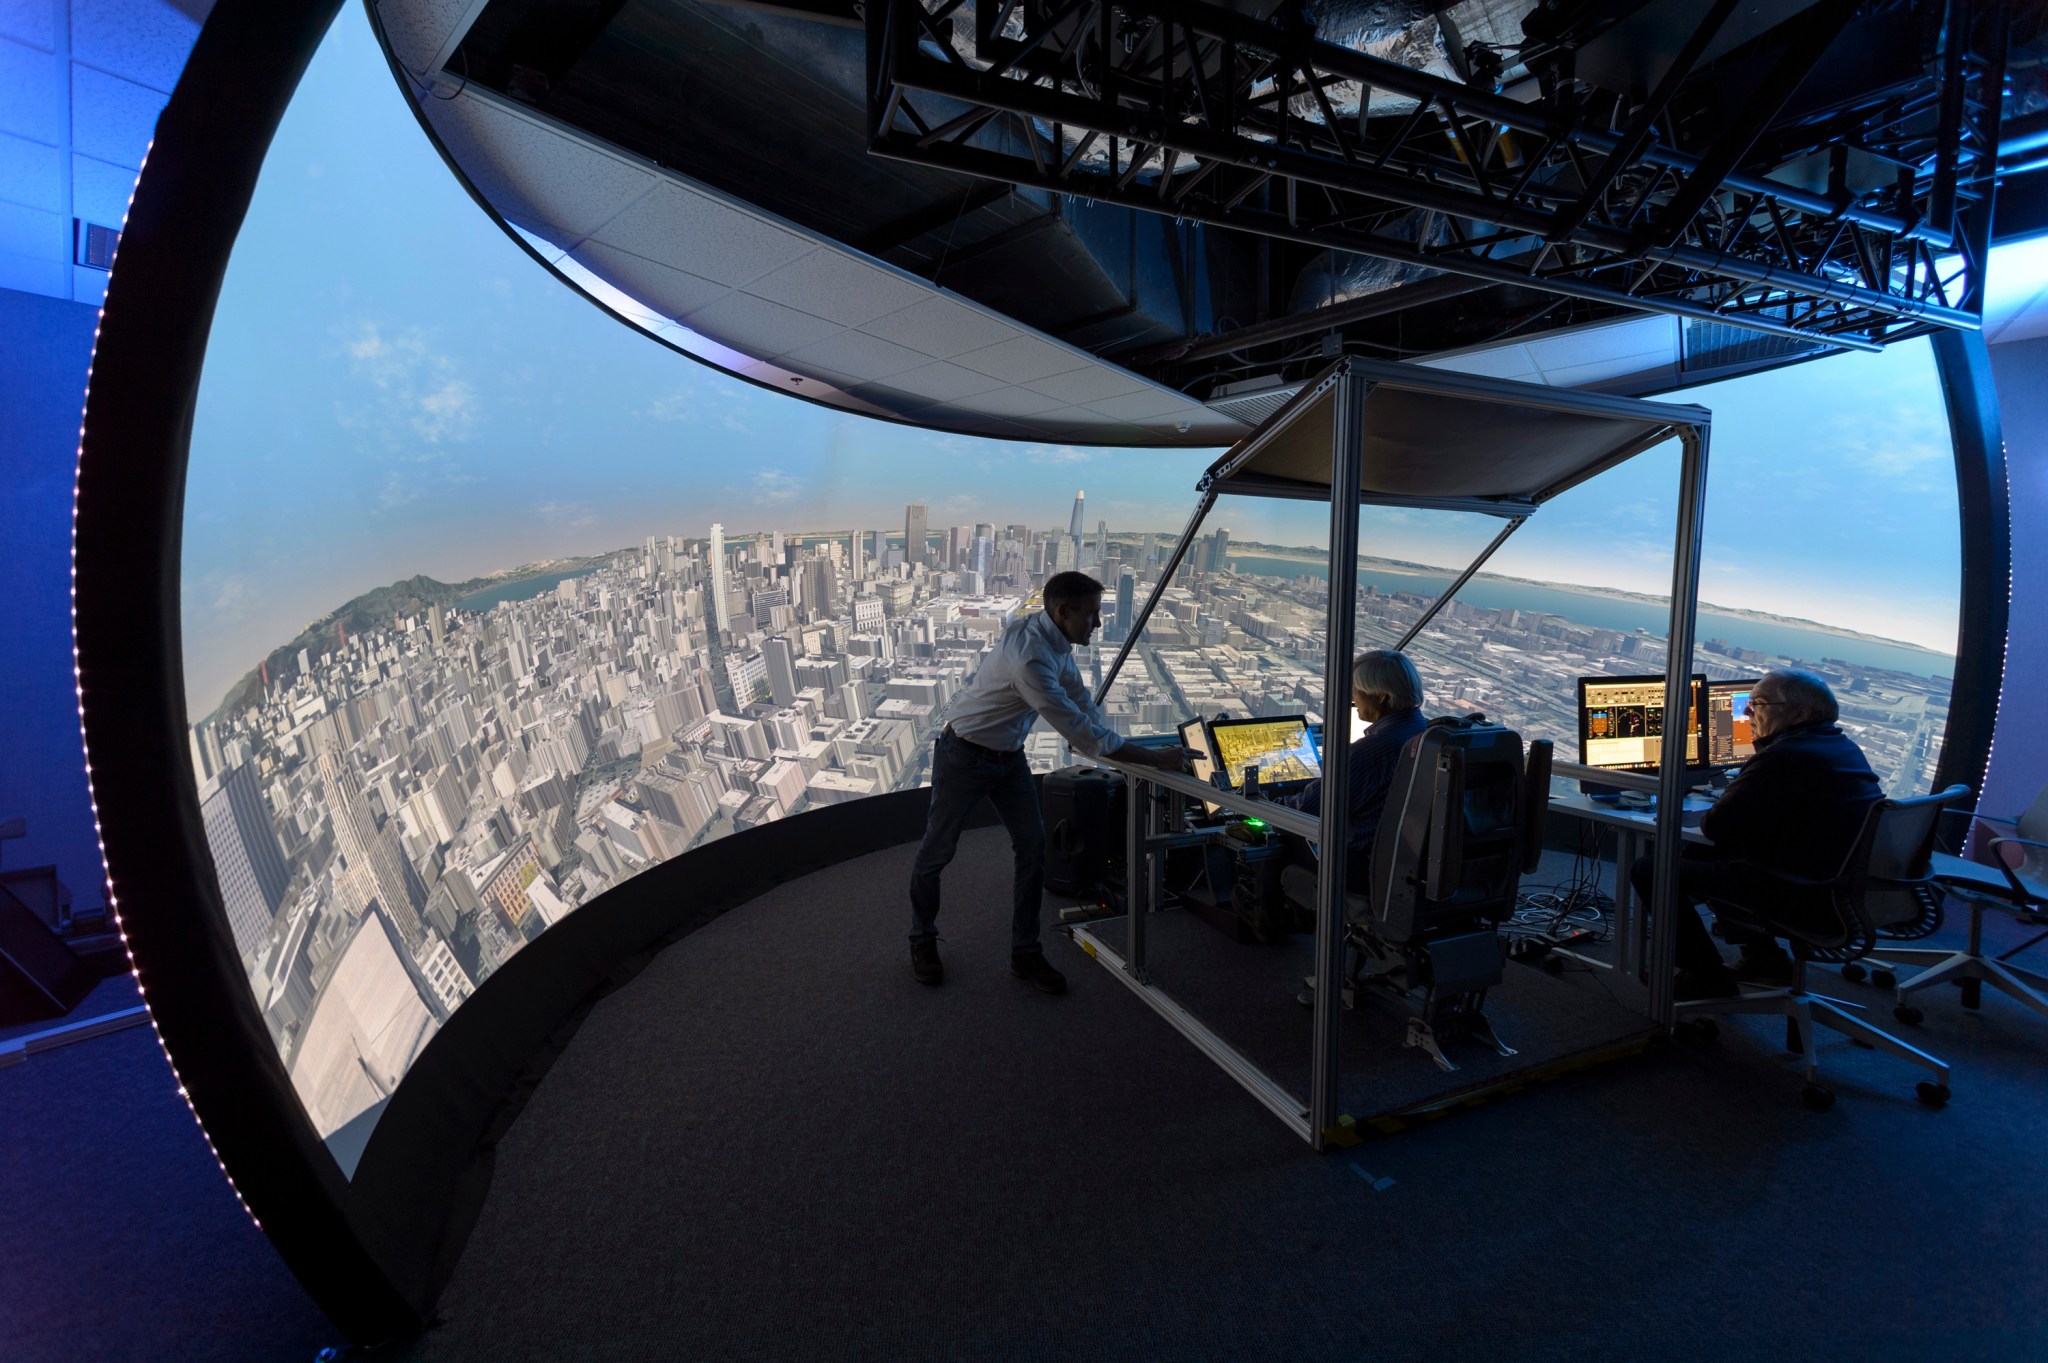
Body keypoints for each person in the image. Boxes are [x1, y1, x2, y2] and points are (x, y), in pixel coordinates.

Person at [907, 571, 1192, 994]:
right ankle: (922, 938)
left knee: (1033, 847)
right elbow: (1085, 735)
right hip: (964, 756)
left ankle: (1025, 951)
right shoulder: (1031, 659)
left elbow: (1079, 700)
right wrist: (1154, 759)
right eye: (1092, 614)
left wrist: (1124, 746)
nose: (1097, 623)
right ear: (1064, 611)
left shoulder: (1053, 640)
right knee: (937, 851)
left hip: (1008, 757)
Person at [1630, 668, 1883, 999]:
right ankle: (1765, 959)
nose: (1746, 712)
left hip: (1805, 893)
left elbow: (1717, 826)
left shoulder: (1785, 755)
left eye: (1757, 704)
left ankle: (1706, 977)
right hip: (1838, 881)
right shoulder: (1838, 745)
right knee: (1705, 853)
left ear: (1800, 713)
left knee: (1651, 869)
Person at [1277, 649, 1431, 890]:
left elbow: (1309, 809)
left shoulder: (1375, 749)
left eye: (1356, 690)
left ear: (1381, 696)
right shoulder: (1427, 734)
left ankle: (1267, 919)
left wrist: (1266, 804)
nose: (1353, 698)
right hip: (1415, 866)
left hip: (1363, 866)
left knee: (1274, 841)